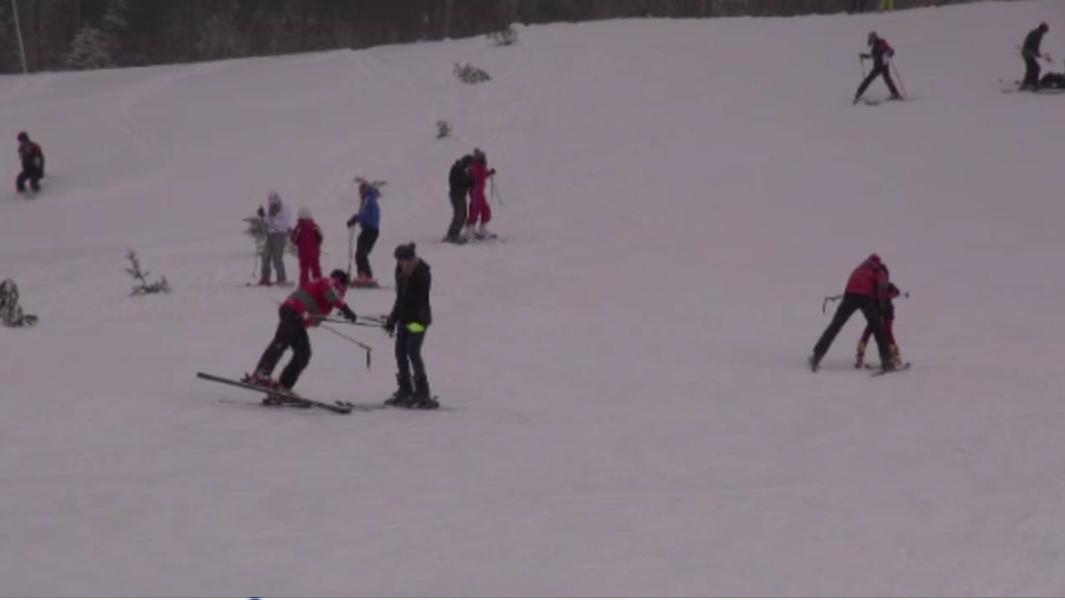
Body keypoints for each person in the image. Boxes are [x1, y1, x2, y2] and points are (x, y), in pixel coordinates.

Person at [244, 269, 358, 400]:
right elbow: (329, 294)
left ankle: (270, 379)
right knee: (298, 350)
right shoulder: (330, 282)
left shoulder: (323, 284)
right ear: (341, 282)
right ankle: (271, 380)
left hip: (291, 311)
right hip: (295, 312)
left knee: (286, 345)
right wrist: (345, 308)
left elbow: (317, 309)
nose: (345, 291)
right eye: (346, 286)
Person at [809, 254, 895, 372]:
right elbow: (882, 286)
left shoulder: (859, 268)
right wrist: (881, 304)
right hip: (866, 299)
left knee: (835, 325)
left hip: (849, 296)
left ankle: (817, 355)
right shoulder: (879, 269)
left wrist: (847, 299)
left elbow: (850, 284)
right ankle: (887, 361)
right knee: (878, 328)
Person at [383, 243, 437, 409]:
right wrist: (393, 318)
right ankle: (405, 388)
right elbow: (400, 297)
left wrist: (402, 315)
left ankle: (422, 391)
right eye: (398, 261)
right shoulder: (400, 271)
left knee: (413, 352)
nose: (399, 264)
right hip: (405, 319)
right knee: (400, 352)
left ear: (410, 259)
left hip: (418, 320)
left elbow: (417, 299)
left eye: (402, 260)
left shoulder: (422, 272)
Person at [855, 270, 903, 369]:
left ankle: (895, 356)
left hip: (887, 311)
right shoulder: (872, 286)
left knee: (887, 332)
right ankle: (860, 354)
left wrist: (886, 294)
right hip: (877, 311)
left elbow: (896, 292)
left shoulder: (888, 285)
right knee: (868, 330)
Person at [346, 181, 381, 286]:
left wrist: (356, 218)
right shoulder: (369, 199)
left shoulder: (368, 199)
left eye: (361, 189)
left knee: (361, 253)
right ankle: (363, 275)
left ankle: (366, 275)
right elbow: (365, 214)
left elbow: (365, 215)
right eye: (359, 190)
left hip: (370, 230)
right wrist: (357, 218)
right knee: (361, 253)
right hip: (370, 229)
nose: (360, 192)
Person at [854, 32, 902, 104]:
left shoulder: (882, 43)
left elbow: (891, 51)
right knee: (869, 79)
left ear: (875, 37)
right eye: (870, 39)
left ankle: (895, 94)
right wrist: (863, 56)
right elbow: (872, 57)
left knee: (887, 80)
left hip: (884, 66)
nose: (871, 40)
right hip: (877, 66)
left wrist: (889, 53)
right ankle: (858, 93)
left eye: (871, 38)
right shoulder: (874, 46)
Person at [258, 191, 292, 286]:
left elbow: (283, 225)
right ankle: (265, 278)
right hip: (270, 235)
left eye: (273, 200)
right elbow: (268, 222)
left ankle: (281, 279)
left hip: (280, 236)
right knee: (265, 256)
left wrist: (271, 220)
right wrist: (263, 216)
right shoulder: (271, 210)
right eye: (270, 201)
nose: (271, 203)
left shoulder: (285, 210)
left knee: (277, 258)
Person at [464, 148, 497, 240]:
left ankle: (482, 229)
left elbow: (483, 174)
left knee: (485, 210)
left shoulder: (481, 166)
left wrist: (489, 173)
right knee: (475, 209)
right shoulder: (475, 166)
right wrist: (473, 177)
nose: (484, 159)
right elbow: (473, 174)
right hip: (475, 191)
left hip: (480, 191)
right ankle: (469, 230)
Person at [291, 207, 323, 287]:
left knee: (304, 270)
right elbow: (320, 237)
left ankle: (304, 286)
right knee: (316, 268)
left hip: (303, 253)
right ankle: (319, 284)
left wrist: (298, 244)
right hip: (314, 252)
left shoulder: (298, 228)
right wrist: (316, 245)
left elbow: (294, 238)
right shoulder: (314, 226)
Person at [446, 154, 475, 244]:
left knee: (463, 215)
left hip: (460, 195)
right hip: (456, 196)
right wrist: (468, 183)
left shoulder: (461, 170)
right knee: (459, 215)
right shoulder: (457, 170)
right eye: (470, 164)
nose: (470, 166)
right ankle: (452, 235)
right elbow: (457, 184)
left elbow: (464, 181)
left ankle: (455, 233)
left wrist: (471, 181)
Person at [1021, 23, 1050, 91]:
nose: (1044, 33)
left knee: (1032, 68)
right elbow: (1033, 45)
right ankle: (1032, 83)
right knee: (1035, 68)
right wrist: (1036, 53)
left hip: (1027, 53)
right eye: (1045, 31)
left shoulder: (1036, 33)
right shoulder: (1037, 35)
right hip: (1028, 53)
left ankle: (1028, 83)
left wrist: (1037, 53)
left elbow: (1034, 46)